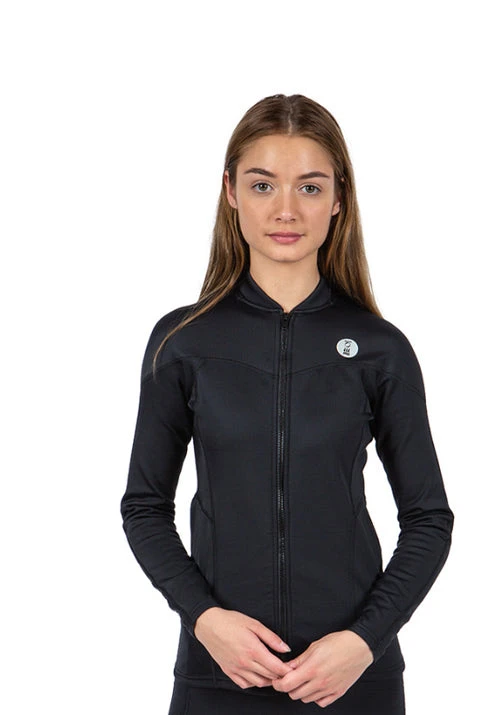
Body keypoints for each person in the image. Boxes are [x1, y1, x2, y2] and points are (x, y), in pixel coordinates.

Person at [120, 93, 454, 714]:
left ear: (339, 198)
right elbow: (144, 508)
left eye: (310, 187)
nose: (285, 209)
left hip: (352, 681)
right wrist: (206, 621)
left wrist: (364, 641)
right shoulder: (183, 342)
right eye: (262, 184)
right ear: (230, 191)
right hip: (220, 678)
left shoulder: (381, 349)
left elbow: (429, 519)